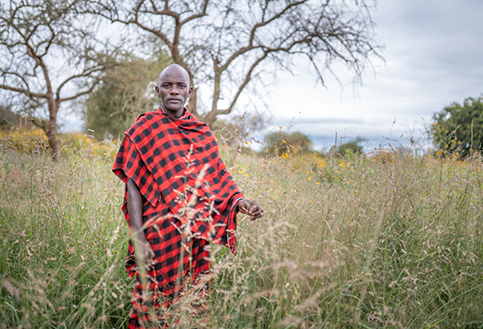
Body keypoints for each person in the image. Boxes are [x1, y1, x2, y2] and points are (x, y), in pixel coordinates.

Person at [113, 64, 263, 328]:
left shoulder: (203, 133)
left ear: (190, 91)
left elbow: (218, 177)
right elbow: (133, 186)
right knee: (149, 303)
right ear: (157, 89)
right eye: (167, 85)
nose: (174, 91)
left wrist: (240, 202)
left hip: (195, 236)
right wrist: (138, 237)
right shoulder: (144, 128)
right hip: (156, 234)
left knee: (192, 303)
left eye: (180, 86)